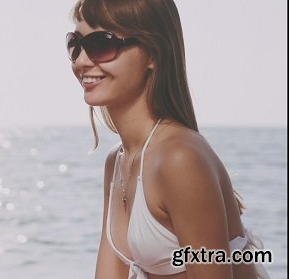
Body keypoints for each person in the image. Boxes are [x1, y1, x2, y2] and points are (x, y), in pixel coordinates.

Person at [65, 0, 270, 278]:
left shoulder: (179, 158)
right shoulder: (117, 161)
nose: (81, 61)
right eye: (75, 44)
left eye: (102, 43)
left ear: (153, 54)